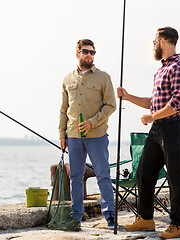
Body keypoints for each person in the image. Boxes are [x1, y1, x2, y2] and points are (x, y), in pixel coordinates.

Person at [117, 27, 180, 239]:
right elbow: (155, 103)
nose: (153, 45)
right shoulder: (162, 69)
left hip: (174, 129)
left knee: (175, 178)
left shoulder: (179, 67)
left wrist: (153, 117)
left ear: (163, 41)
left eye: (154, 41)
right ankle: (146, 219)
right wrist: (128, 97)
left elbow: (177, 103)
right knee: (144, 172)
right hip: (158, 129)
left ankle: (177, 225)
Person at [59, 39, 117, 229]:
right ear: (77, 53)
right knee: (75, 176)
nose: (90, 55)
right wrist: (62, 134)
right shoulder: (68, 79)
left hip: (97, 136)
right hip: (74, 136)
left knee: (103, 175)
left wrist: (92, 122)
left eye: (93, 52)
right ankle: (76, 215)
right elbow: (63, 109)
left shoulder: (103, 77)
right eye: (86, 52)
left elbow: (111, 105)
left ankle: (110, 216)